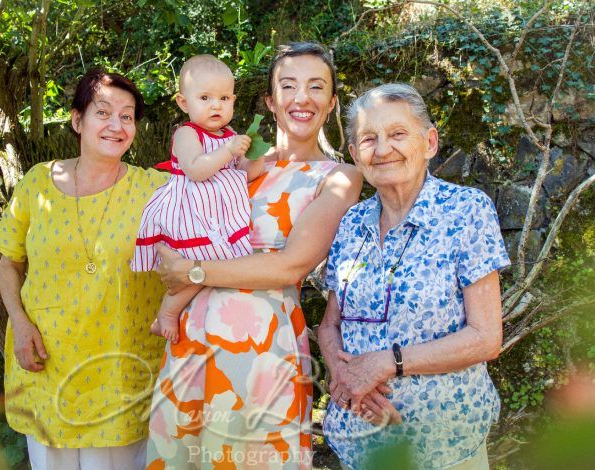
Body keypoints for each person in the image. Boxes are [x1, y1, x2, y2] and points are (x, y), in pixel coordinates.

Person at [145, 42, 363, 470]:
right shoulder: (233, 163)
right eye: (289, 86)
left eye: (316, 87)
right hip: (193, 336)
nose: (302, 98)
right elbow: (180, 212)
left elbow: (290, 265)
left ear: (332, 102)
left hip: (262, 346)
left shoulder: (339, 177)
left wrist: (190, 269)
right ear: (270, 100)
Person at [318, 83, 510, 469]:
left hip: (446, 443)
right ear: (355, 155)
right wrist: (346, 374)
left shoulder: (465, 211)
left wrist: (388, 363)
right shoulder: (351, 223)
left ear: (430, 142)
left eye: (398, 134)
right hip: (362, 440)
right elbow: (330, 325)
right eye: (369, 138)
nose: (384, 148)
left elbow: (486, 337)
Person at [0, 69, 168, 470]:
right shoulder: (38, 184)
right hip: (45, 365)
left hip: (121, 374)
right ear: (77, 120)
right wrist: (19, 323)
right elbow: (9, 261)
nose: (116, 125)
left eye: (127, 116)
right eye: (103, 112)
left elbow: (218, 198)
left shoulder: (156, 190)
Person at [131, 55, 265, 344]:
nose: (216, 105)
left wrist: (255, 157)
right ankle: (168, 311)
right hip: (194, 214)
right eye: (204, 97)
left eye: (224, 97)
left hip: (222, 216)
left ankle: (217, 321)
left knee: (224, 267)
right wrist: (229, 150)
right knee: (202, 263)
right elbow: (196, 169)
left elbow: (245, 174)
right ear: (183, 102)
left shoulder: (229, 135)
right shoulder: (186, 134)